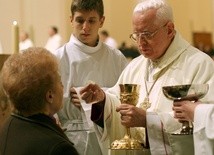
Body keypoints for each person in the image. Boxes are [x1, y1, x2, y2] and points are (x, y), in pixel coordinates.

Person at [78, 0, 214, 154]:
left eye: (147, 34)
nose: (141, 43)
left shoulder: (200, 65)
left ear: (169, 29)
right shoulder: (135, 66)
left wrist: (149, 121)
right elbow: (117, 102)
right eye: (136, 35)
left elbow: (206, 122)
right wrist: (102, 101)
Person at [54, 0, 128, 154]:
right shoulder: (58, 58)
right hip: (70, 137)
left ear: (101, 21)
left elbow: (127, 97)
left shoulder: (116, 57)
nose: (85, 27)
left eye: (92, 21)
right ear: (71, 20)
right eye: (80, 20)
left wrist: (101, 96)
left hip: (108, 134)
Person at [0, 47, 79, 155]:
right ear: (50, 96)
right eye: (59, 81)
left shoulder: (8, 126)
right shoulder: (59, 149)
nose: (62, 85)